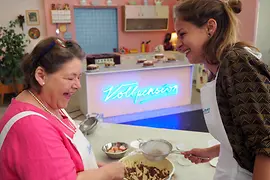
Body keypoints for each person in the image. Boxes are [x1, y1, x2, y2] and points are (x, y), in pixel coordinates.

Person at [0, 37, 125, 180]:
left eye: (79, 77)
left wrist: (90, 168)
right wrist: (107, 174)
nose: (78, 85)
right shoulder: (32, 127)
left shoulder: (49, 102)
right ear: (41, 76)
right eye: (70, 78)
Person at [174, 0, 270, 180]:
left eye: (182, 34)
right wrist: (211, 152)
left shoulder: (237, 63)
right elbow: (243, 134)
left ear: (210, 27)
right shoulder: (216, 72)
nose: (178, 45)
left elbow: (265, 143)